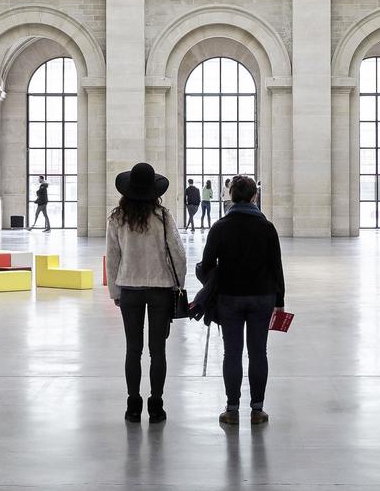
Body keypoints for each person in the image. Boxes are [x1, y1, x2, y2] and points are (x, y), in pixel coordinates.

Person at [198, 174, 285, 427]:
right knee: (259, 352)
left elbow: (206, 264)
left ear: (231, 196)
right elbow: (276, 267)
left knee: (232, 353)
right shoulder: (267, 227)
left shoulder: (220, 227)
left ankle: (232, 409)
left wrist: (211, 283)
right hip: (262, 297)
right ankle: (257, 410)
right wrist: (279, 300)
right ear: (254, 196)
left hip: (229, 298)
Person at [106, 162, 187, 425]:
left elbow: (113, 258)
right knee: (158, 351)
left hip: (129, 288)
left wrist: (115, 290)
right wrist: (178, 285)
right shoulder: (163, 216)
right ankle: (156, 405)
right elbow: (178, 253)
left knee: (133, 349)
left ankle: (132, 404)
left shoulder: (117, 217)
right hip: (160, 289)